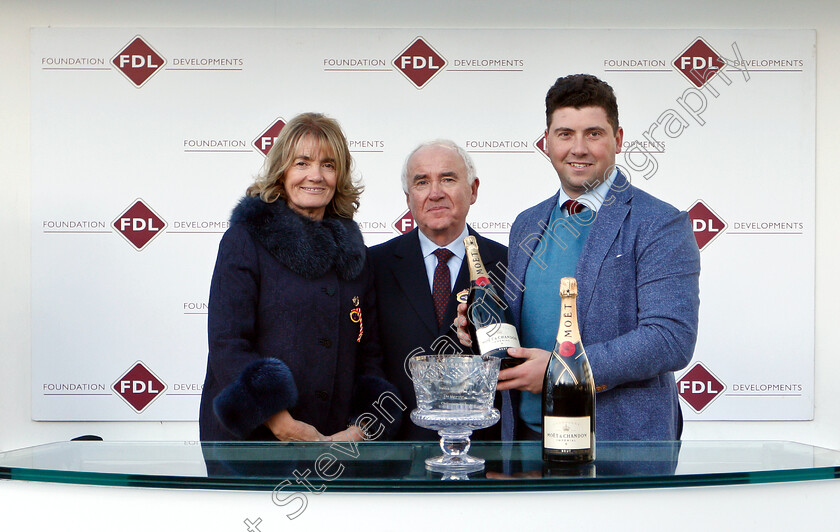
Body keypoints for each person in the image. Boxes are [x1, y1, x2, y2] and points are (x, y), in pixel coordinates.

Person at [457, 74, 700, 441]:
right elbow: (524, 328)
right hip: (524, 440)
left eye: (594, 133)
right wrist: (481, 332)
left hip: (617, 443)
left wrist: (561, 370)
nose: (579, 148)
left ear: (617, 140)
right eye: (565, 133)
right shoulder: (528, 223)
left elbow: (670, 338)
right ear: (547, 142)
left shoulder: (660, 223)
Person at [199, 112, 401, 442]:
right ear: (282, 171)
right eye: (302, 162)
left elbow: (369, 353)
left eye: (329, 165)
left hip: (337, 442)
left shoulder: (354, 254)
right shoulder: (246, 240)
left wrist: (361, 429)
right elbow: (228, 344)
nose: (316, 176)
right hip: (254, 444)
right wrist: (285, 426)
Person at [370, 140, 508, 440]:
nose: (435, 193)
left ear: (473, 190)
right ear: (409, 198)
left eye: (447, 179)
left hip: (485, 455)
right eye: (422, 182)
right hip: (397, 453)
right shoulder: (372, 265)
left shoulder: (510, 265)